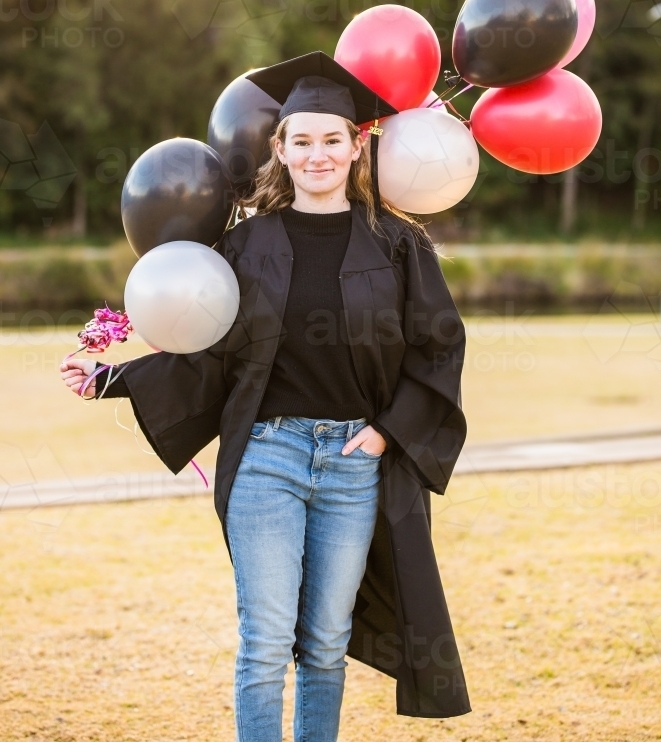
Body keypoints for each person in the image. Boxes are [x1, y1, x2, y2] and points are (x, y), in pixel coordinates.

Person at [60, 51, 470, 741]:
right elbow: (209, 353)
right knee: (265, 640)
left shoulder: (398, 246)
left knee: (324, 641)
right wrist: (112, 378)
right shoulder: (245, 247)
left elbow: (438, 347)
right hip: (267, 460)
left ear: (356, 144)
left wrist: (384, 434)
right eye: (301, 141)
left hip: (352, 465)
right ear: (278, 148)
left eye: (331, 139)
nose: (317, 154)